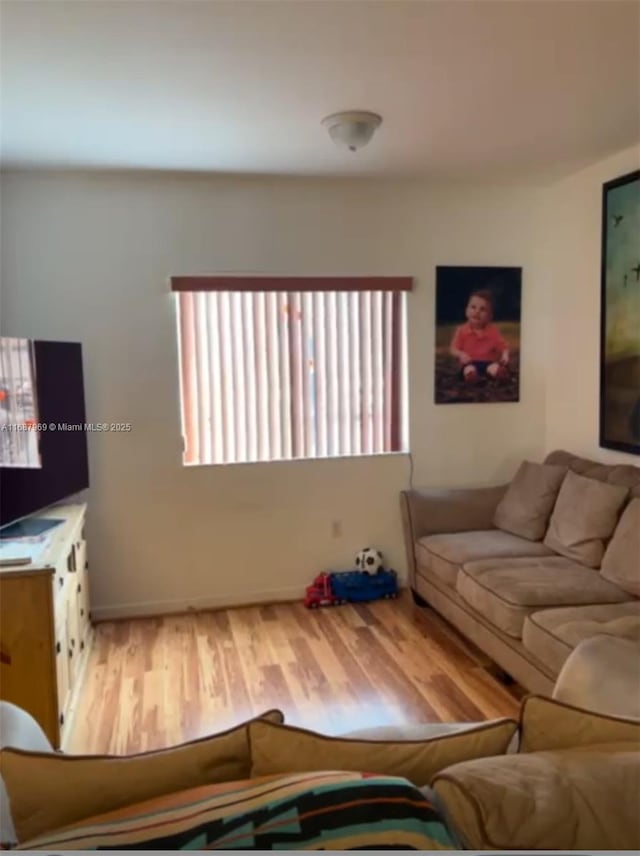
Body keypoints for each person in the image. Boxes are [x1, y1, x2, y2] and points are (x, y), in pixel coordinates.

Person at [449, 289, 509, 382]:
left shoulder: (493, 331)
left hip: (488, 362)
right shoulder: (462, 330)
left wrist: (505, 355)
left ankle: (498, 373)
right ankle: (472, 378)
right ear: (466, 310)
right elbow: (453, 349)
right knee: (468, 370)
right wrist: (461, 354)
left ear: (489, 316)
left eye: (483, 309)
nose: (477, 312)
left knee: (494, 367)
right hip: (469, 362)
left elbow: (502, 346)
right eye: (473, 307)